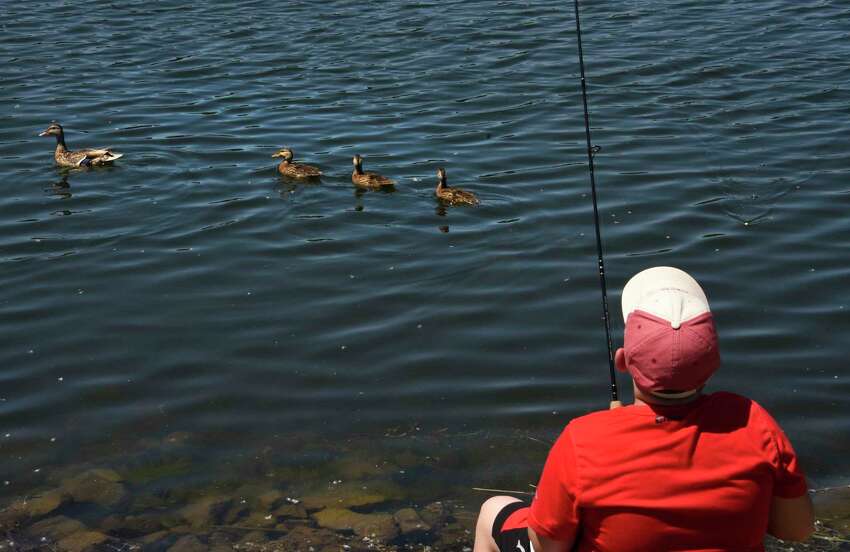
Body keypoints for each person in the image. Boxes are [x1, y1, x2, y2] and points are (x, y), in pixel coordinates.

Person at [473, 266, 814, 552]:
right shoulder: (754, 422)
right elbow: (796, 530)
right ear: (713, 363)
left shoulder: (584, 439)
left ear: (622, 361)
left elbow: (548, 545)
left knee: (493, 511)